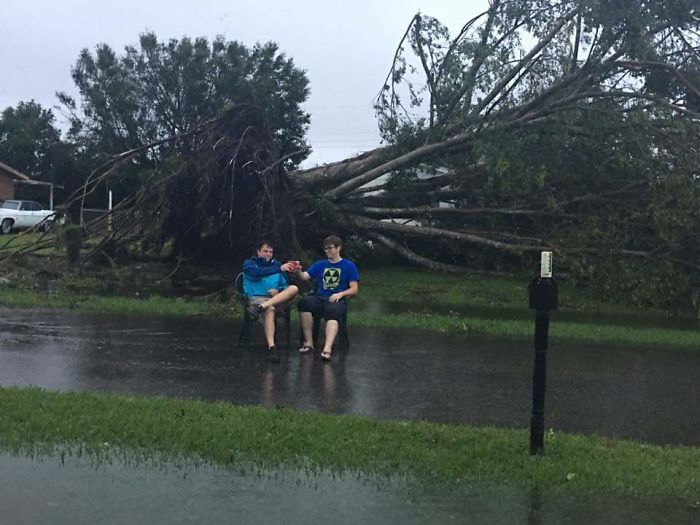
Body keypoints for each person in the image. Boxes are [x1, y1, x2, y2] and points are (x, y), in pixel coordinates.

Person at [295, 235, 359, 362]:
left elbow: (354, 289)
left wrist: (341, 294)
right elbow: (304, 276)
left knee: (333, 312)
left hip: (336, 299)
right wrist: (298, 270)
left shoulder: (349, 266)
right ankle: (309, 343)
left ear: (339, 248)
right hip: (319, 297)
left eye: (330, 248)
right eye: (325, 249)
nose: (328, 251)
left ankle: (327, 348)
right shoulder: (320, 264)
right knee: (304, 303)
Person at [242, 240, 299, 363]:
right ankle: (272, 347)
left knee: (294, 288)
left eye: (271, 252)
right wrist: (279, 269)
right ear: (258, 252)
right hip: (257, 298)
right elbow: (256, 274)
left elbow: (285, 286)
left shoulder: (277, 265)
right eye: (265, 251)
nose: (268, 254)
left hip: (275, 299)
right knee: (270, 309)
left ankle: (260, 308)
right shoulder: (249, 264)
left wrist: (277, 292)